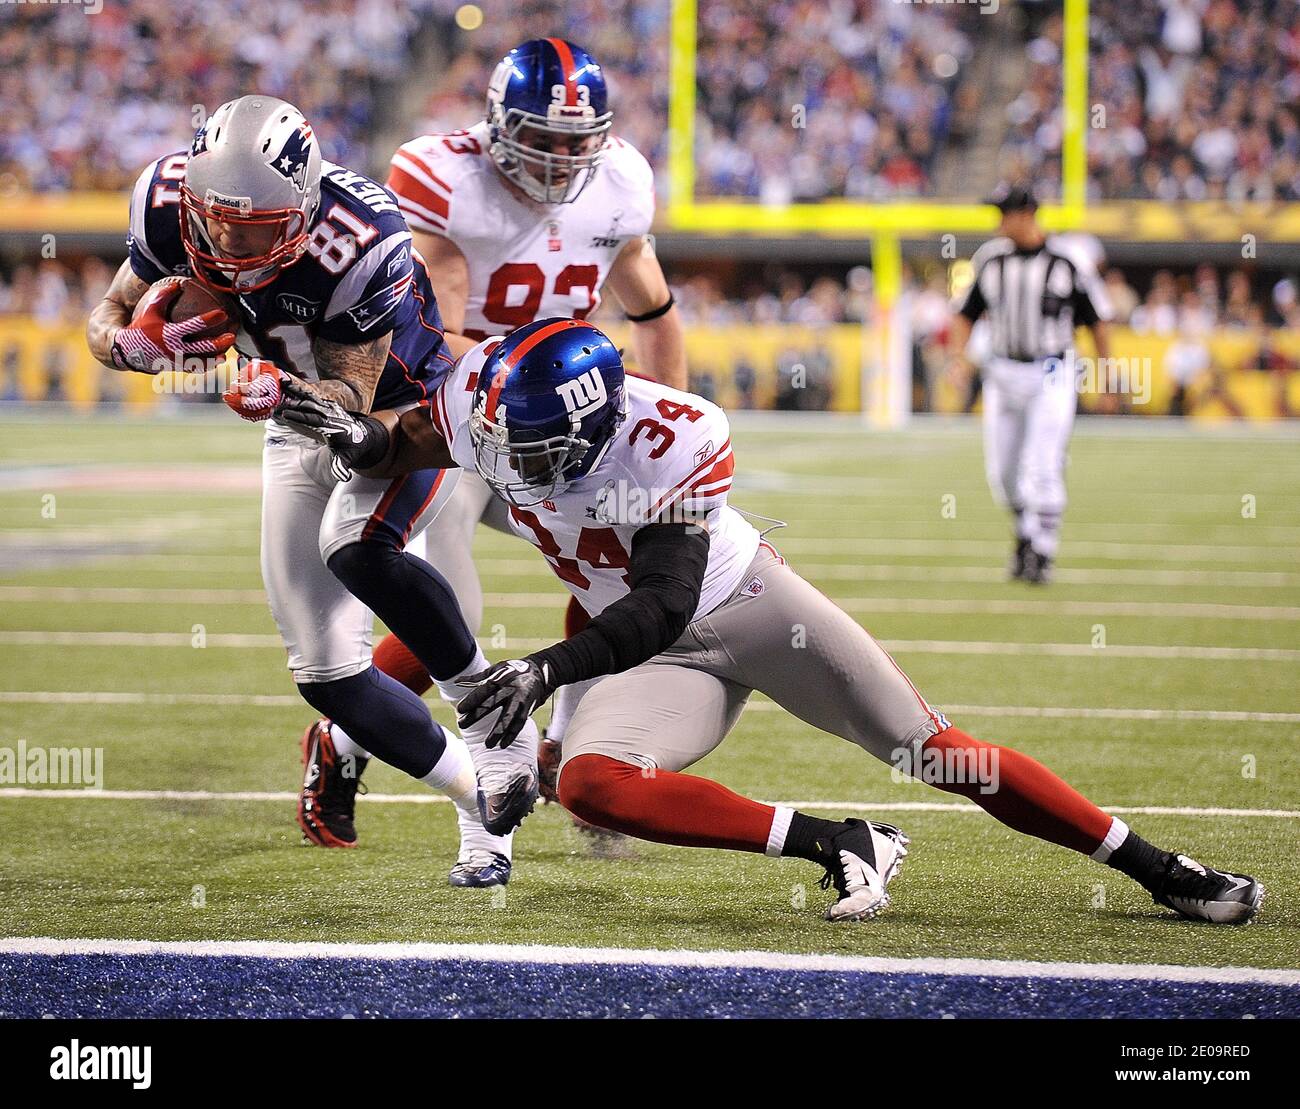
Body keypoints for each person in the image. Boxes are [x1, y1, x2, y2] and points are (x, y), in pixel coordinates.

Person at [270, 317, 1264, 926]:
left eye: (536, 449)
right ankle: (840, 841)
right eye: (503, 442)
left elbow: (663, 603)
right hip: (638, 638)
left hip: (749, 610)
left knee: (939, 754)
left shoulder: (677, 436)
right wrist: (352, 430)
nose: (512, 464)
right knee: (590, 785)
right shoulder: (490, 402)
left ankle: (1156, 868)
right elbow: (405, 442)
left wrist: (542, 669)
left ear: (595, 425)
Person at [86, 95, 538, 855]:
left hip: (405, 418)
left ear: (300, 208)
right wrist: (130, 346)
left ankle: (484, 707)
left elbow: (351, 403)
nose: (226, 241)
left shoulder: (361, 239)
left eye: (251, 228)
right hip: (288, 418)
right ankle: (473, 793)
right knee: (325, 673)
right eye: (214, 218)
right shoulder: (164, 200)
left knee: (354, 542)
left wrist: (276, 389)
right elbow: (106, 315)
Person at [308, 38, 687, 886]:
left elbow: (652, 306)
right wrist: (500, 399)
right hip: (461, 409)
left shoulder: (620, 182)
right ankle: (383, 754)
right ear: (495, 125)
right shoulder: (445, 178)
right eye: (541, 139)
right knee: (456, 602)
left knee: (624, 579)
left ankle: (569, 751)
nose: (559, 159)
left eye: (573, 140)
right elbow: (436, 334)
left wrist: (665, 421)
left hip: (568, 422)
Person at [948, 186, 1113, 584]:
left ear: (1028, 214)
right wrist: (958, 359)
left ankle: (1043, 551)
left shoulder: (1068, 260)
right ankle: (1027, 533)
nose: (1001, 222)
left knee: (1043, 464)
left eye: (1007, 213)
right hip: (1003, 372)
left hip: (1051, 371)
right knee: (1003, 475)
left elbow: (1097, 320)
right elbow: (966, 314)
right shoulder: (991, 259)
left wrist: (1106, 373)